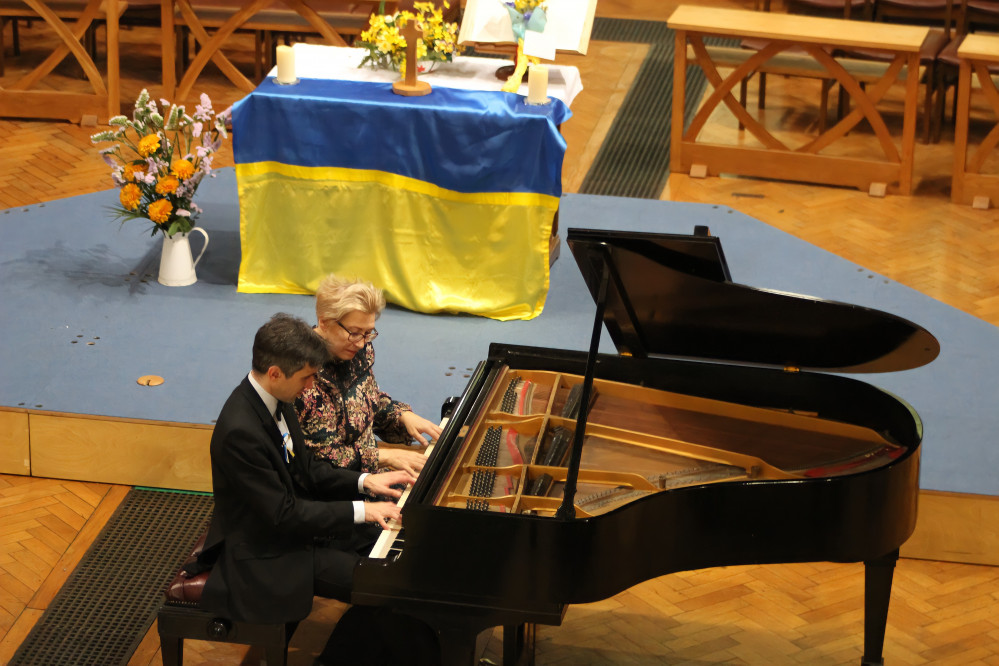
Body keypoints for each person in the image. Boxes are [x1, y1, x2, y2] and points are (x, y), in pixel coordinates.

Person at [197, 313, 437, 664]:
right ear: (275, 372)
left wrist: (365, 481)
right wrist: (363, 510)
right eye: (307, 377)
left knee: (409, 562)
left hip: (299, 528)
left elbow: (307, 469)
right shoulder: (240, 432)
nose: (312, 386)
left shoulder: (279, 397)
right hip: (267, 551)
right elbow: (282, 514)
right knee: (384, 587)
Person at [295, 274, 442, 479]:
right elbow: (326, 457)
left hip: (368, 464)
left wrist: (401, 415)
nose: (362, 343)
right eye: (354, 332)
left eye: (368, 333)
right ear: (325, 322)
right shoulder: (305, 376)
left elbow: (365, 403)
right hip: (339, 483)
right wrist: (385, 456)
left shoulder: (355, 349)